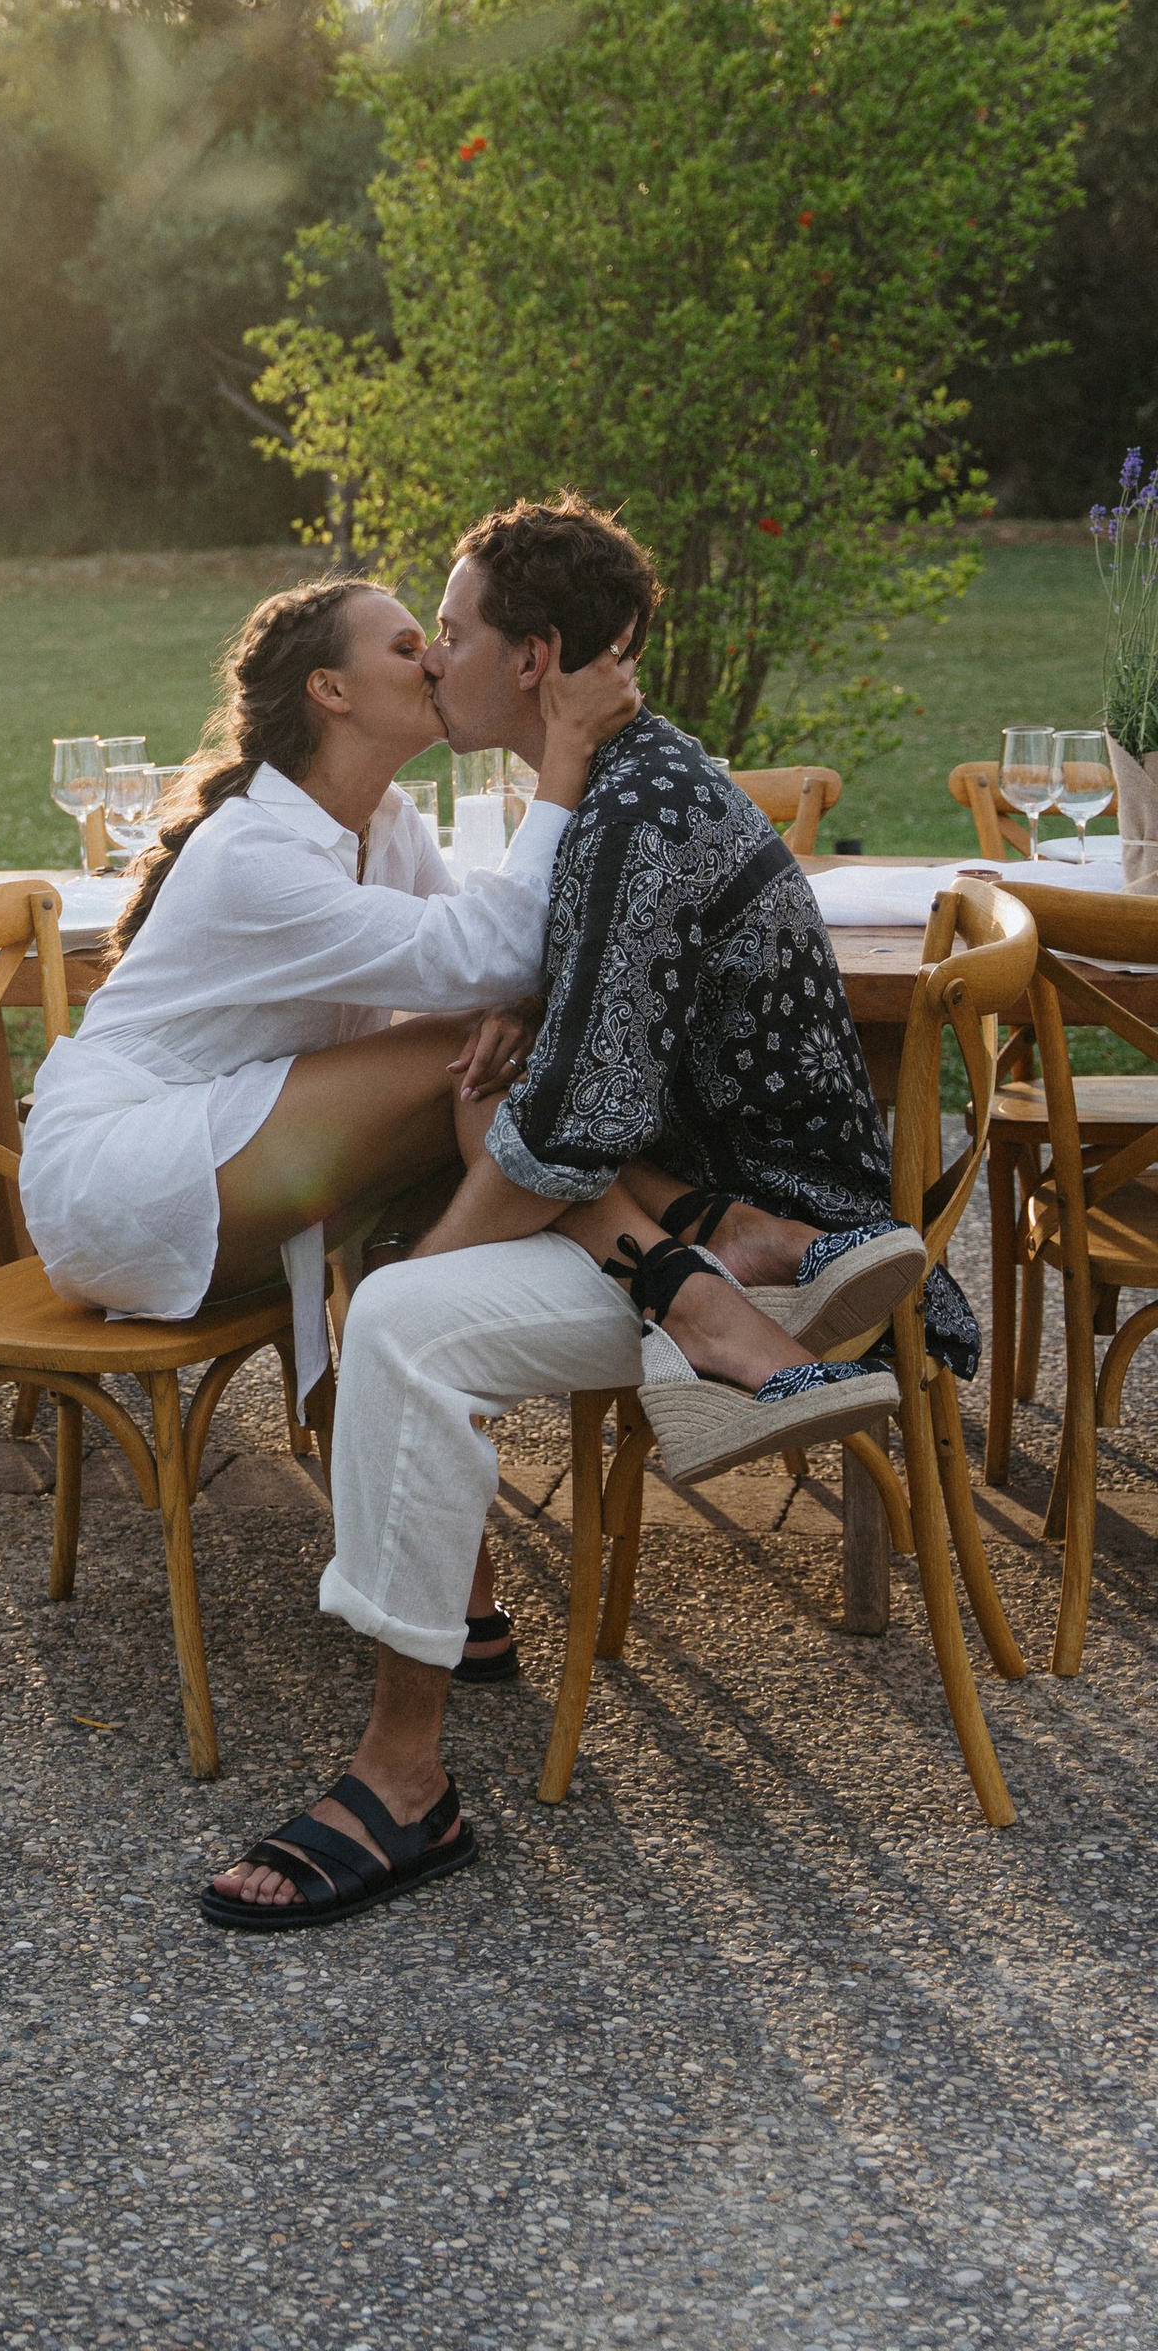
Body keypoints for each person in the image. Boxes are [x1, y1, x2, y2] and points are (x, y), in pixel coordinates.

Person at [201, 496, 935, 1937]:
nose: (434, 656)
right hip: (721, 1195)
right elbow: (578, 1060)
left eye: (453, 631)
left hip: (813, 1234)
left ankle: (401, 1778)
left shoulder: (631, 812)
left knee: (401, 1313)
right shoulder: (626, 781)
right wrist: (528, 1007)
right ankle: (490, 1582)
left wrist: (443, 1242)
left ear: (532, 659)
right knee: (432, 1203)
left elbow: (571, 1133)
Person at [18, 566, 638, 1692]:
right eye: (406, 646)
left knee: (453, 1127)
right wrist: (562, 758)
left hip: (241, 1151)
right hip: (122, 1178)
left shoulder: (381, 821)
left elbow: (494, 967)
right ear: (331, 691)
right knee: (466, 1065)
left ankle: (456, 1592)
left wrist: (499, 997)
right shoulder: (254, 853)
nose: (436, 659)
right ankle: (665, 1264)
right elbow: (494, 956)